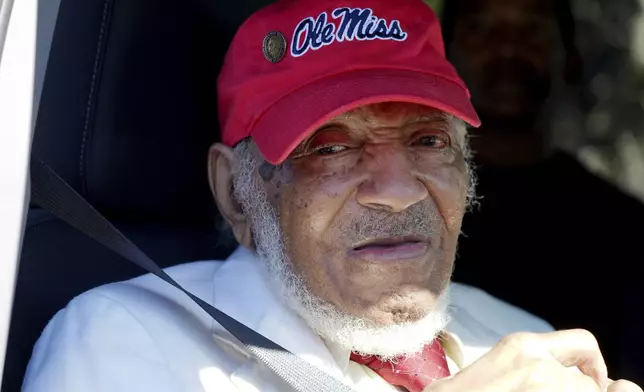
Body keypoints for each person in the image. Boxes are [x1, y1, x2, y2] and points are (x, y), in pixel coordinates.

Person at [21, 1, 642, 391]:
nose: (398, 193)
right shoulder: (122, 340)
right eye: (331, 148)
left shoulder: (526, 338)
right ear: (237, 194)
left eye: (428, 139)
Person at [442, 0, 644, 382]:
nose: (507, 48)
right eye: (481, 30)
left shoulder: (622, 225)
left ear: (568, 54)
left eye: (532, 29)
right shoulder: (411, 208)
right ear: (442, 53)